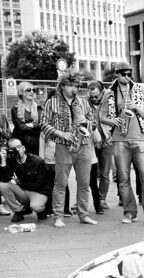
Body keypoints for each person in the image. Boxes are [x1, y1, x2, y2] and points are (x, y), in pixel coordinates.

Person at [101, 62, 144, 225]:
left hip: (139, 139)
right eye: (123, 74)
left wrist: (136, 108)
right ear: (117, 74)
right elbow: (101, 117)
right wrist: (113, 120)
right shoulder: (109, 93)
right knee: (123, 179)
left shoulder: (140, 90)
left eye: (129, 74)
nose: (127, 77)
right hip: (119, 139)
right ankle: (129, 212)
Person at [40, 73, 98, 228]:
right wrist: (61, 133)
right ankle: (58, 216)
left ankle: (84, 215)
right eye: (71, 85)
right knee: (60, 182)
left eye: (77, 86)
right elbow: (43, 123)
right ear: (63, 86)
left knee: (84, 183)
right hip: (63, 146)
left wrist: (86, 122)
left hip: (83, 145)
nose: (75, 89)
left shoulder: (84, 103)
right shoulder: (51, 102)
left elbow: (94, 123)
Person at [0, 137, 54, 222]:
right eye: (13, 148)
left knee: (36, 207)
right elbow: (5, 179)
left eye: (18, 147)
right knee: (3, 186)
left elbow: (39, 184)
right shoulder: (11, 160)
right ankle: (18, 211)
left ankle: (42, 210)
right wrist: (3, 161)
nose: (17, 150)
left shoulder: (37, 161)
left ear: (23, 148)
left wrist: (19, 183)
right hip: (24, 190)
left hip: (39, 191)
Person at [86, 81, 112, 214]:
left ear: (102, 93)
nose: (94, 99)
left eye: (97, 96)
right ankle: (84, 200)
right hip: (91, 142)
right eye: (92, 97)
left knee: (105, 173)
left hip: (107, 141)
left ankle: (102, 199)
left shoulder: (108, 102)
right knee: (87, 173)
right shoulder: (84, 104)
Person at [11, 81, 42, 155]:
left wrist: (33, 125)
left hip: (36, 145)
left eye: (33, 90)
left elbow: (42, 125)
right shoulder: (15, 109)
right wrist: (36, 127)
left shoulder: (39, 109)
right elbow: (20, 127)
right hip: (21, 143)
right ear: (22, 92)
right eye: (28, 90)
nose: (32, 92)